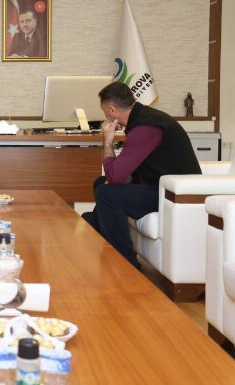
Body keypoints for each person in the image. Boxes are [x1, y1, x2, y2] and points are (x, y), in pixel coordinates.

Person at [81, 82, 201, 269]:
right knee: (101, 183)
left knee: (107, 194)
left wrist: (108, 142)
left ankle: (126, 265)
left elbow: (115, 176)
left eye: (105, 112)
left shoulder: (145, 128)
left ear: (112, 110)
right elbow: (125, 172)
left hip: (175, 195)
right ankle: (94, 227)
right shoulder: (144, 118)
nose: (106, 117)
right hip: (160, 186)